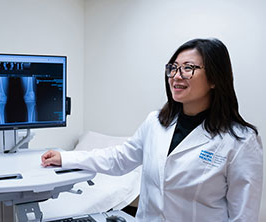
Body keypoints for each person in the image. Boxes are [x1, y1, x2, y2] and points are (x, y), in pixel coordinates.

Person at [42, 38, 263, 222]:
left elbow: (243, 215)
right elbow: (119, 159)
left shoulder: (241, 141)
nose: (176, 76)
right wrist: (66, 158)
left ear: (215, 78)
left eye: (188, 68)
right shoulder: (156, 122)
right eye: (173, 67)